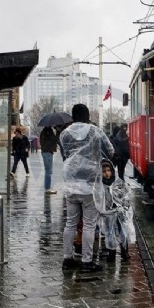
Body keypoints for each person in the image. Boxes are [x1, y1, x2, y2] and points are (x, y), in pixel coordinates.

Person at [60, 104, 114, 273]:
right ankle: (86, 261)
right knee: (90, 225)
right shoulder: (95, 131)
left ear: (72, 116)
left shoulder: (65, 133)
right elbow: (110, 150)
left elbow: (66, 154)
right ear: (87, 115)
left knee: (70, 223)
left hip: (70, 182)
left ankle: (67, 259)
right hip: (90, 184)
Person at [100, 159, 135, 263]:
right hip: (108, 212)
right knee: (109, 232)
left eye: (108, 170)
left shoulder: (117, 182)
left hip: (119, 211)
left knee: (122, 231)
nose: (107, 173)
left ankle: (124, 251)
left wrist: (125, 205)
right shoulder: (100, 185)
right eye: (104, 171)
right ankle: (112, 252)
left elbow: (126, 194)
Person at [39, 126, 57, 194]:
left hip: (46, 152)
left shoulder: (43, 132)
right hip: (47, 152)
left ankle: (47, 187)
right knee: (48, 171)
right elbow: (54, 139)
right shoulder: (48, 132)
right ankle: (47, 188)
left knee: (48, 171)